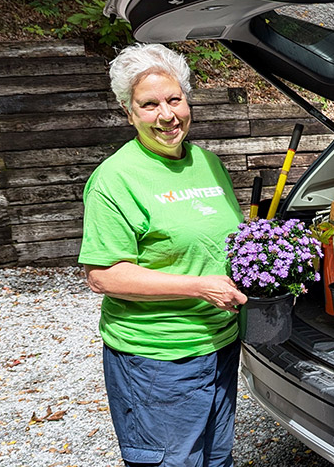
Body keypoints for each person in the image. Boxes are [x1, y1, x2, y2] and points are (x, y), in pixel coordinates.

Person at [78, 43, 247, 467]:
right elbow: (103, 275)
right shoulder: (115, 179)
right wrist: (197, 287)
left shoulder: (207, 163)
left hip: (220, 343)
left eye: (174, 99)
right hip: (158, 359)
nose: (167, 115)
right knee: (172, 462)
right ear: (128, 112)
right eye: (149, 105)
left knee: (216, 458)